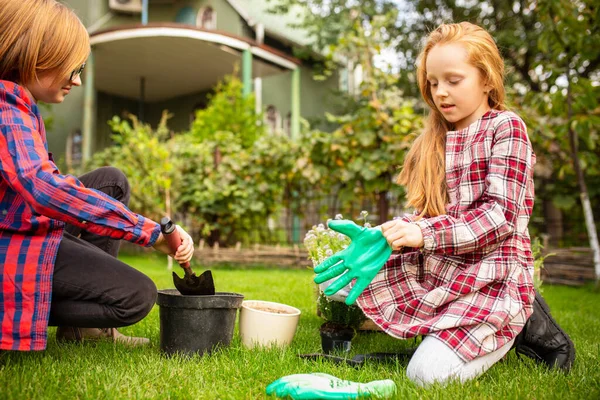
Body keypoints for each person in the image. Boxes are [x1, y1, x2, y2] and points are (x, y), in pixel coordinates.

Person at [314, 22, 575, 386]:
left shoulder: (506, 127)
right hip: (443, 271)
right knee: (337, 285)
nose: (441, 92)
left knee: (426, 376)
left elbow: (500, 217)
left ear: (487, 80)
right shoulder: (434, 138)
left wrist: (421, 232)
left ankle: (519, 319)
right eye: (433, 82)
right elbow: (429, 214)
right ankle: (446, 325)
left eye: (453, 80)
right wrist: (384, 237)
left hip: (491, 276)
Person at [0, 0, 194, 351]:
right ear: (35, 55)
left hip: (20, 224)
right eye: (70, 68)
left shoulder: (22, 107)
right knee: (137, 296)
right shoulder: (7, 109)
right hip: (11, 244)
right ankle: (14, 310)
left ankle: (83, 329)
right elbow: (43, 188)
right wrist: (150, 233)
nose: (76, 80)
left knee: (111, 181)